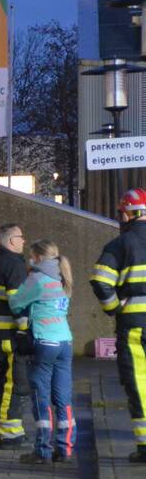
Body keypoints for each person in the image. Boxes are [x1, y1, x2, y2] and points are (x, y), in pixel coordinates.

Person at [91, 188, 146, 463]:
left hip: (136, 323)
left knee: (139, 381)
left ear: (126, 213)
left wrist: (114, 309)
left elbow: (101, 281)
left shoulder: (119, 245)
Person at [8, 240, 75, 464]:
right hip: (65, 342)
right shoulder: (64, 276)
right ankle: (65, 448)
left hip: (45, 342)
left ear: (37, 257)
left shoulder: (37, 278)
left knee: (41, 397)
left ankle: (43, 450)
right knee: (63, 398)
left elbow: (16, 302)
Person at [0, 224, 30, 448]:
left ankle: (1, 427)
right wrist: (24, 331)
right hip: (13, 333)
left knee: (2, 378)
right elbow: (19, 303)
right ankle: (10, 432)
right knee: (16, 381)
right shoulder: (14, 264)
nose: (24, 241)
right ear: (11, 240)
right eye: (21, 237)